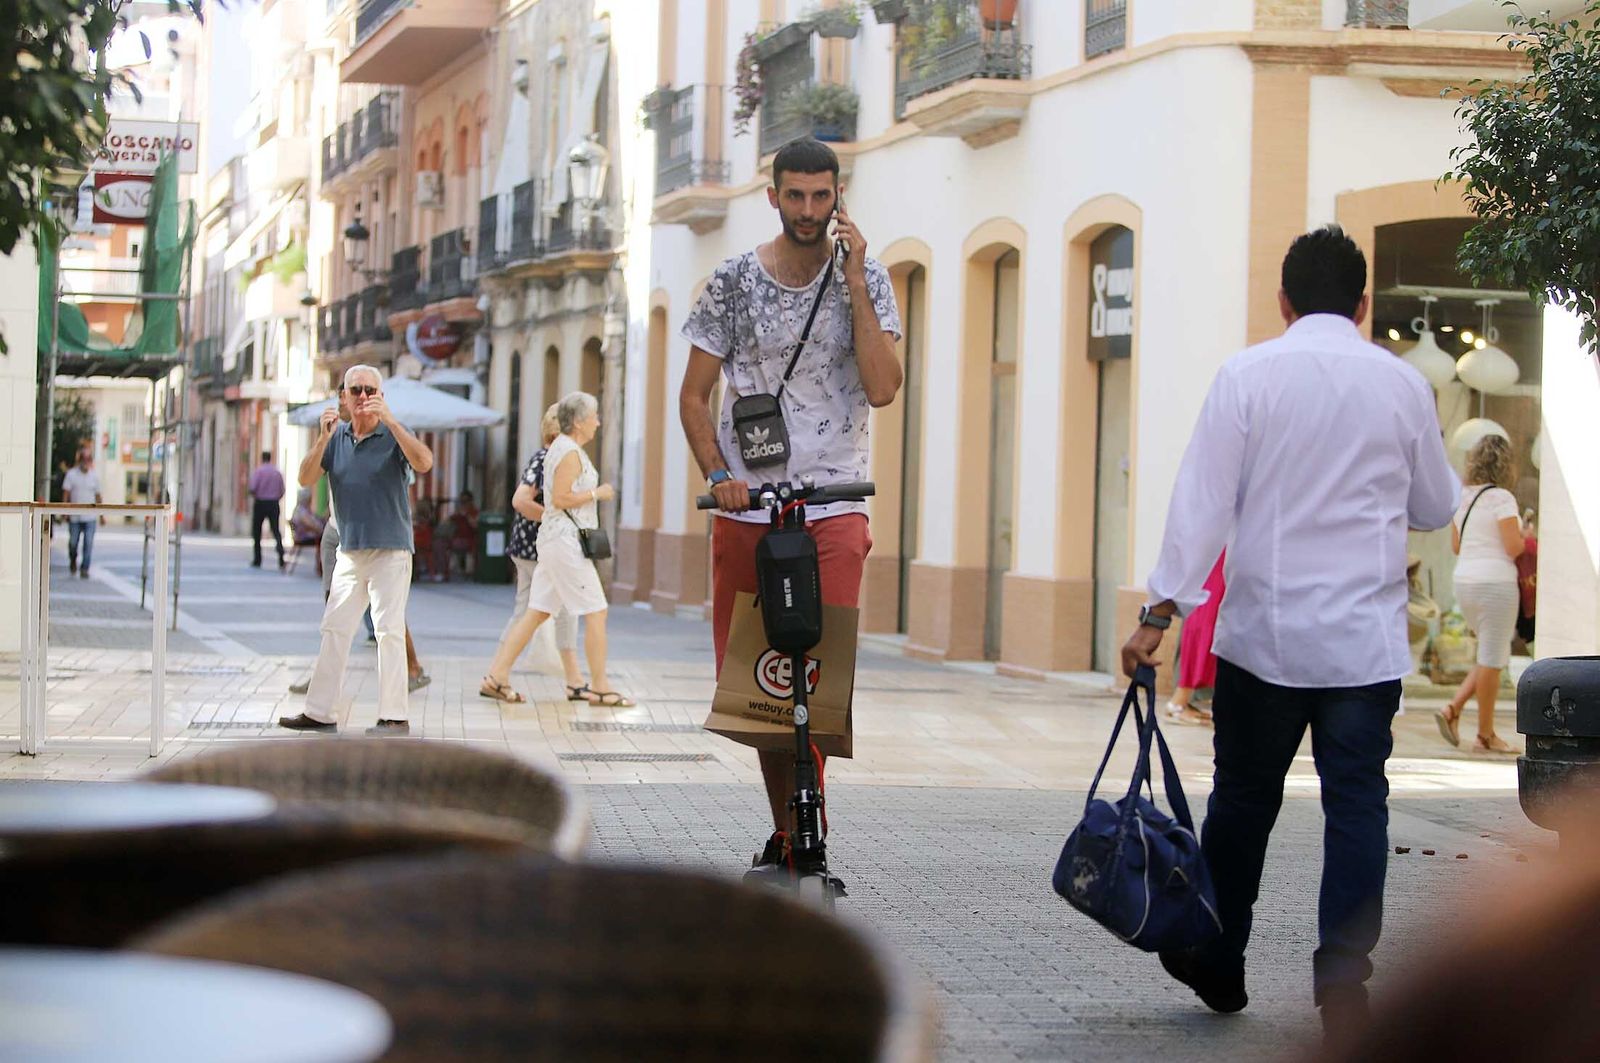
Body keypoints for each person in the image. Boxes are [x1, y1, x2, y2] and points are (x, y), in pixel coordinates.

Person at [1120, 226, 1460, 1037]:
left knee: (1242, 803)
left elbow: (1203, 502)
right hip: (1361, 642)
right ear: (1364, 304)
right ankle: (1344, 979)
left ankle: (1221, 957)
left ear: (1283, 301)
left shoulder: (1247, 375)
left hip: (1265, 640)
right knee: (1358, 808)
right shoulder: (1403, 386)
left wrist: (1159, 610)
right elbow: (1436, 507)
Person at [679, 136, 902, 879]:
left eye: (822, 195)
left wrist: (861, 282)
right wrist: (720, 472)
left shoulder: (867, 281)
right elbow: (692, 394)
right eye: (796, 195)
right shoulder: (732, 282)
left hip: (835, 505)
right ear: (772, 196)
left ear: (839, 197)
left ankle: (808, 834)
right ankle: (790, 830)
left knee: (817, 680)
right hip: (749, 511)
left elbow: (883, 387)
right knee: (760, 692)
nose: (809, 210)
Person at [279, 366, 433, 735]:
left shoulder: (394, 435)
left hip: (391, 550)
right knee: (335, 627)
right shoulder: (336, 437)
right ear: (344, 397)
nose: (363, 396)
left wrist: (392, 421)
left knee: (388, 631)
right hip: (349, 550)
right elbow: (305, 477)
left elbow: (424, 462)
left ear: (380, 395)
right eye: (356, 390)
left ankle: (394, 716)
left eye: (370, 390)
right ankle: (320, 712)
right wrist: (322, 438)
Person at [480, 391, 634, 707]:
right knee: (596, 609)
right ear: (578, 421)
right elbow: (560, 499)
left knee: (537, 612)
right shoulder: (569, 452)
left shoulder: (561, 449)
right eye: (594, 416)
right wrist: (597, 493)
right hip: (565, 542)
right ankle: (601, 686)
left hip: (552, 541)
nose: (598, 422)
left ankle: (496, 676)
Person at [1435, 434, 1524, 756]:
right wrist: (1525, 535)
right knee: (1492, 657)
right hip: (1496, 582)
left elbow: (1456, 546)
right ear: (1505, 464)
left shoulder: (1462, 497)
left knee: (1489, 653)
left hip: (1465, 580)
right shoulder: (1502, 498)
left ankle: (1452, 709)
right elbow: (1513, 547)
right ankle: (1485, 735)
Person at [503, 404, 592, 700]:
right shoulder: (551, 457)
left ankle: (499, 674)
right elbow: (520, 500)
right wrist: (555, 518)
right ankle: (574, 681)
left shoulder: (545, 456)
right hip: (542, 546)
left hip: (529, 545)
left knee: (530, 611)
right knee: (562, 611)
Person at [1168, 551, 1225, 727]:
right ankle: (1179, 700)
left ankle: (1182, 700)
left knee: (1211, 619)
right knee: (1207, 619)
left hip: (1225, 552)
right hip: (1219, 551)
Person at [60, 448, 104, 579]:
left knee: (88, 543)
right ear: (79, 460)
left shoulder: (94, 476)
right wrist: (64, 511)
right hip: (75, 516)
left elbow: (98, 497)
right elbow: (66, 494)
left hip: (90, 517)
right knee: (73, 543)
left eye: (88, 459)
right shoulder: (71, 474)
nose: (86, 462)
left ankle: (85, 568)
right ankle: (73, 560)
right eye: (84, 459)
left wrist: (102, 515)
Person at [248, 449, 287, 570]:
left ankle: (257, 559)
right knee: (276, 530)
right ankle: (281, 556)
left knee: (257, 532)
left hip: (260, 503)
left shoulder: (258, 472)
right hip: (273, 503)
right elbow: (282, 490)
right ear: (270, 458)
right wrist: (275, 498)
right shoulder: (277, 472)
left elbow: (252, 488)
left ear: (262, 458)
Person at [449, 489, 479, 578]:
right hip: (457, 538)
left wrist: (467, 516)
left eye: (466, 501)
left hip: (470, 539)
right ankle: (454, 570)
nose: (464, 504)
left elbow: (475, 525)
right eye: (462, 501)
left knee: (470, 551)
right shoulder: (457, 513)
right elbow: (449, 521)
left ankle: (469, 572)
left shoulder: (474, 511)